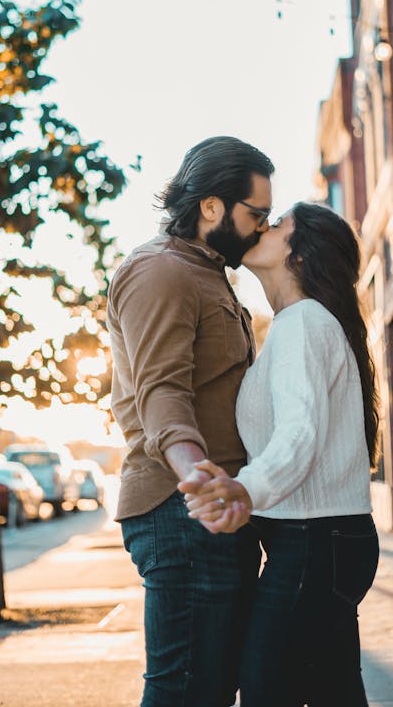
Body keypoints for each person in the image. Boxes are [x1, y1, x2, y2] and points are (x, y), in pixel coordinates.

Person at [181, 202, 380, 707]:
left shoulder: (303, 324)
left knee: (269, 688)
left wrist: (246, 488)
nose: (261, 229)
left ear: (299, 254)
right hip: (326, 542)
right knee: (335, 691)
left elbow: (299, 433)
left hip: (314, 544)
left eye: (276, 225)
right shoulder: (302, 324)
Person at [106, 136, 274, 707]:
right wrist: (196, 476)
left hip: (216, 510)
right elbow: (161, 393)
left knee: (210, 689)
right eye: (256, 214)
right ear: (211, 207)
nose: (262, 228)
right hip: (183, 513)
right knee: (185, 692)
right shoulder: (161, 272)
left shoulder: (207, 274)